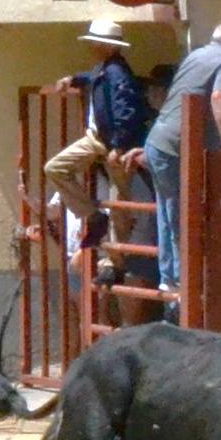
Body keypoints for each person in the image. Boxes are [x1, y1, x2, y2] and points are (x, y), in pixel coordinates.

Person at [141, 20, 221, 302]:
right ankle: (182, 282)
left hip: (159, 140)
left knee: (168, 210)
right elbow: (219, 96)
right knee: (180, 213)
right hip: (178, 146)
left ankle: (170, 279)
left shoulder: (195, 55)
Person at [44, 18, 150, 262]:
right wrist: (74, 79)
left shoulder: (116, 73)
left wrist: (119, 145)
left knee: (119, 201)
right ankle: (97, 223)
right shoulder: (107, 69)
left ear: (106, 46)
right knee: (58, 170)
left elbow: (126, 111)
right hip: (100, 138)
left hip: (110, 142)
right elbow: (91, 77)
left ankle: (114, 259)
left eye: (96, 42)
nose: (92, 46)